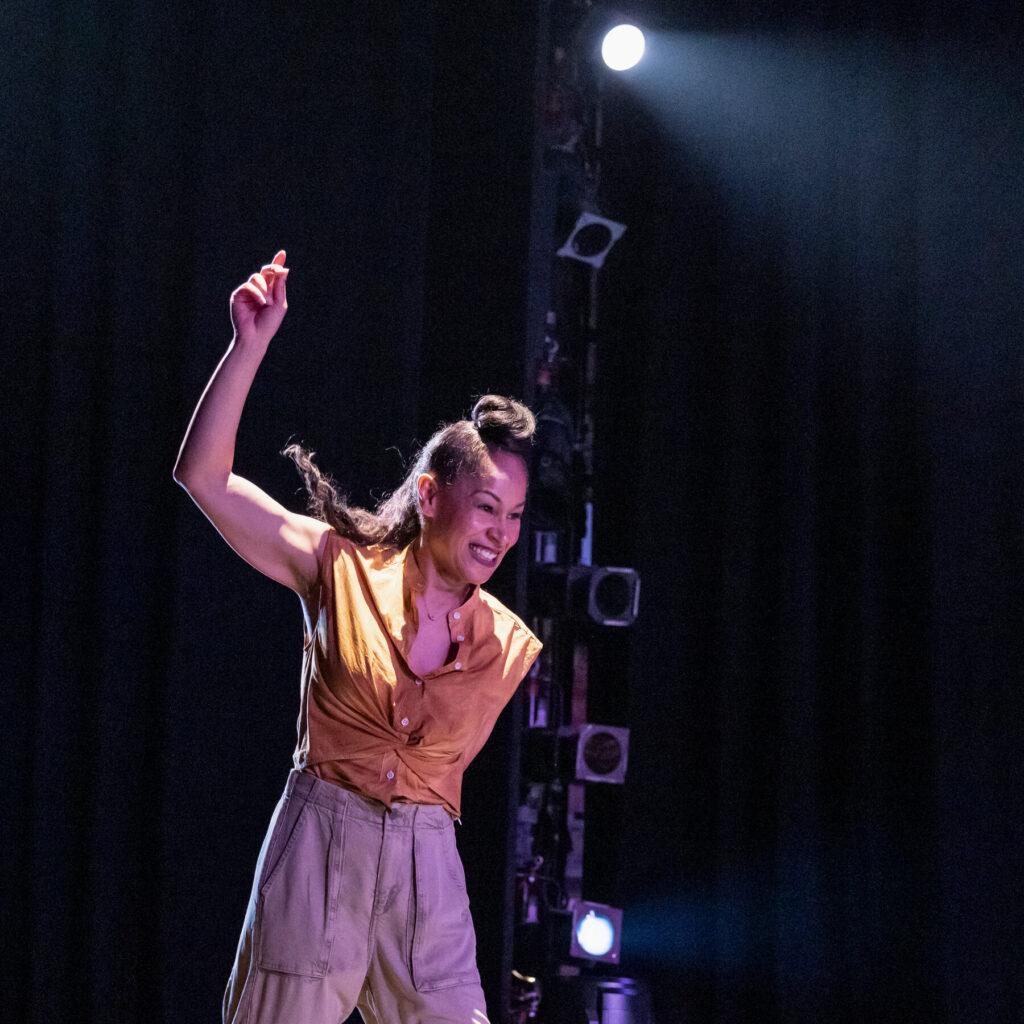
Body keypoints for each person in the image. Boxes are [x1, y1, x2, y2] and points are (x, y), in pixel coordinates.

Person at [173, 251, 542, 1024]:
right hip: (319, 855)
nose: (501, 534)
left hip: (427, 879)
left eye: (514, 516)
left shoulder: (504, 647)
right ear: (431, 496)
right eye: (486, 508)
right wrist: (247, 346)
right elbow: (204, 477)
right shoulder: (337, 567)